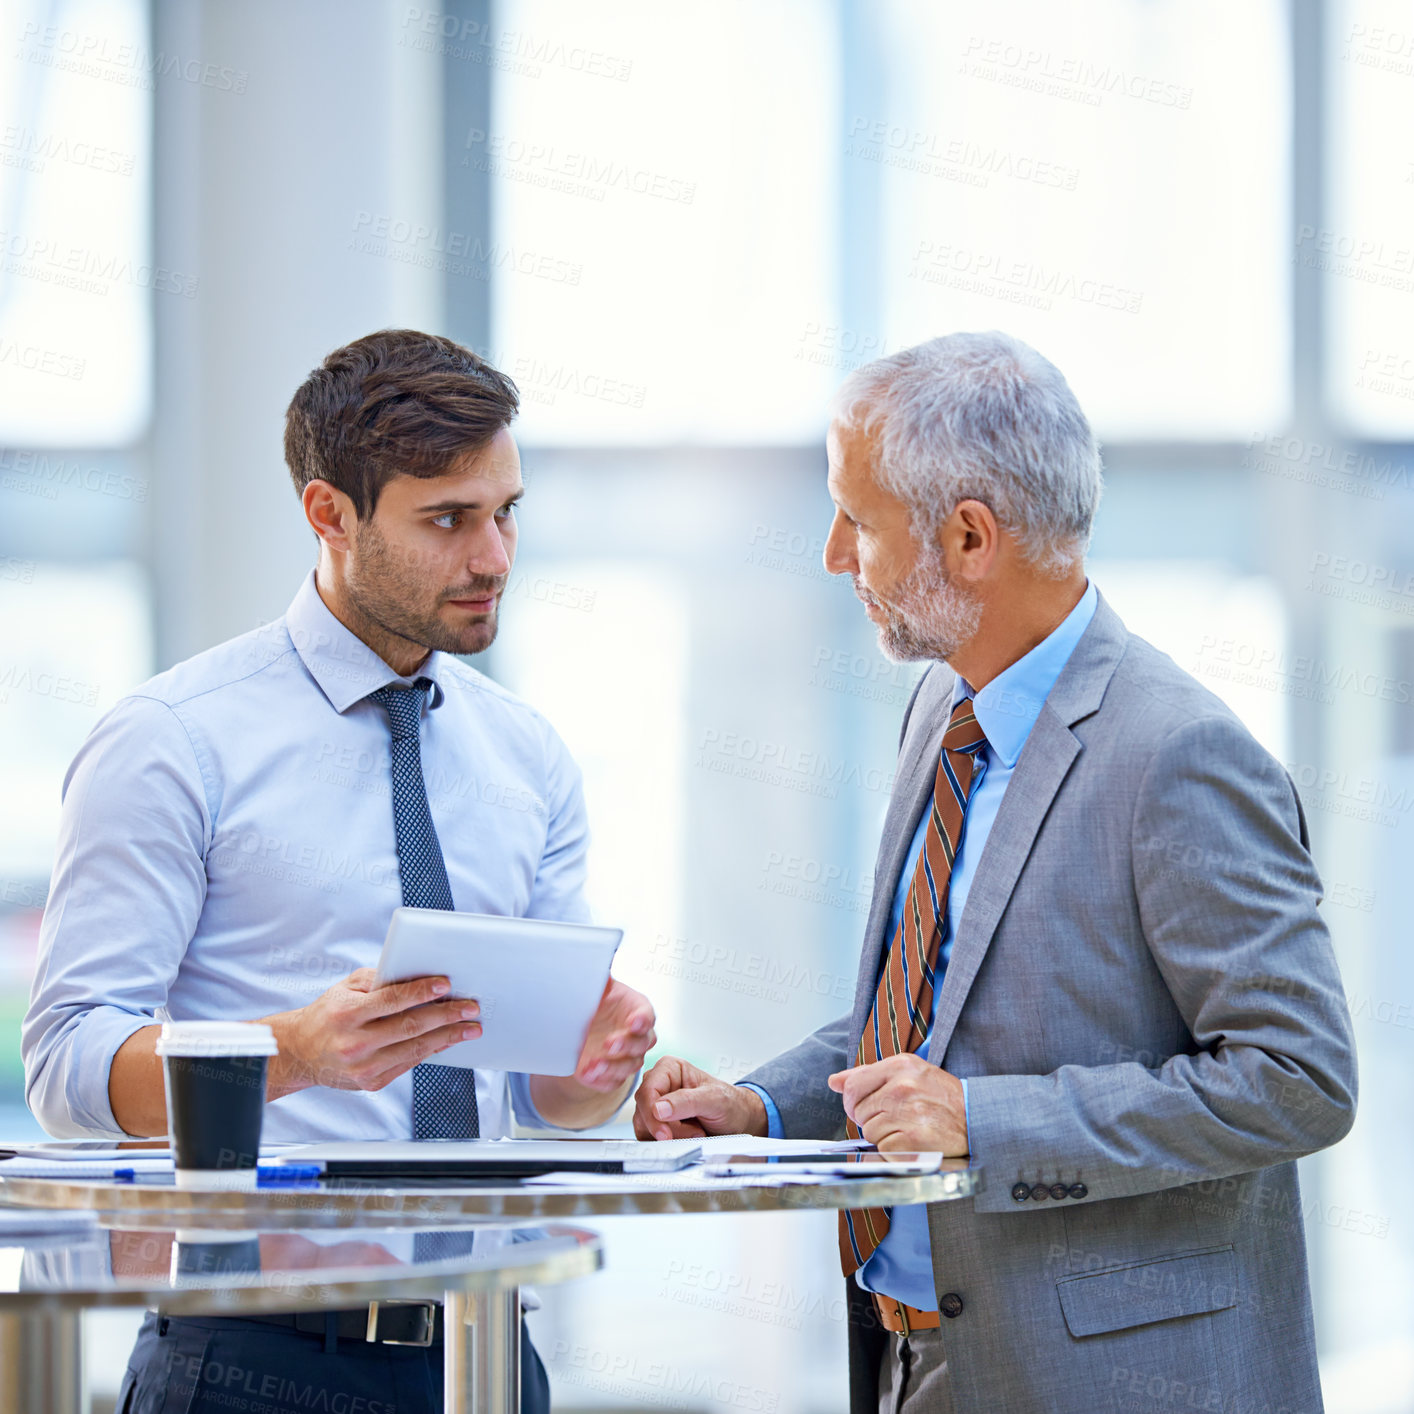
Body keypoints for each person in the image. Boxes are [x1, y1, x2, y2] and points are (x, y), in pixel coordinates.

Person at [633, 332, 1357, 1414]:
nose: (835, 554)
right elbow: (925, 1019)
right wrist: (761, 1106)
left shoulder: (1176, 757)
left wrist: (985, 1120)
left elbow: (1298, 1078)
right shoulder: (942, 709)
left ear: (969, 536)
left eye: (859, 520)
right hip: (920, 1359)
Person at [23, 328, 656, 1414]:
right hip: (251, 1365)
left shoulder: (528, 754)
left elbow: (544, 1100)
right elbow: (69, 1070)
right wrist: (292, 1055)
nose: (495, 557)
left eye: (505, 512)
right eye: (448, 519)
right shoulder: (174, 739)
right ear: (330, 514)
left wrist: (588, 1067)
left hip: (491, 1352)